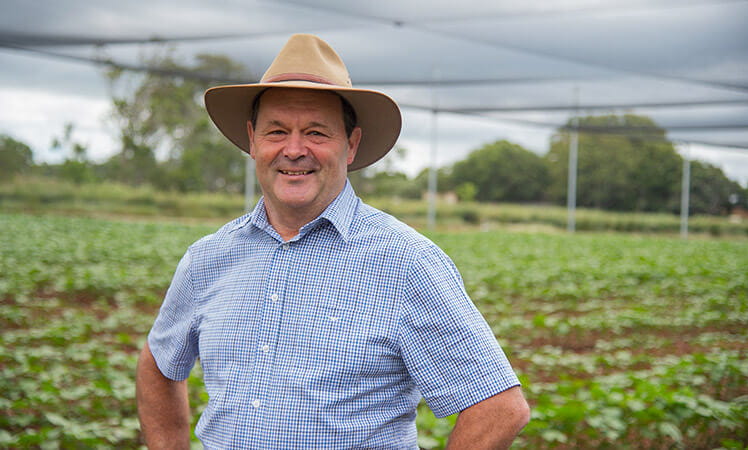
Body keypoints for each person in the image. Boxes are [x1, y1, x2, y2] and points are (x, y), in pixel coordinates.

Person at [136, 33, 529, 449]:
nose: (294, 149)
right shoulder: (209, 257)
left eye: (317, 133)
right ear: (252, 140)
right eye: (276, 131)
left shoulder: (405, 262)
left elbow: (499, 407)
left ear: (351, 145)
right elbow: (158, 365)